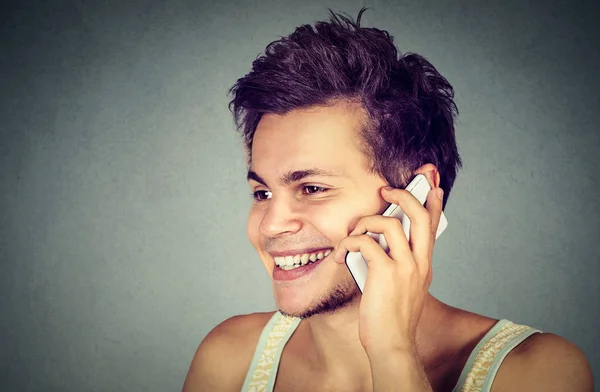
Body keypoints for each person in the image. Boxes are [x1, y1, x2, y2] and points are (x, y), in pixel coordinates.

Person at [183, 10, 593, 392]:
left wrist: (392, 350)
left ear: (416, 195)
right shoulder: (228, 358)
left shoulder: (537, 372)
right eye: (262, 193)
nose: (270, 226)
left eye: (312, 188)